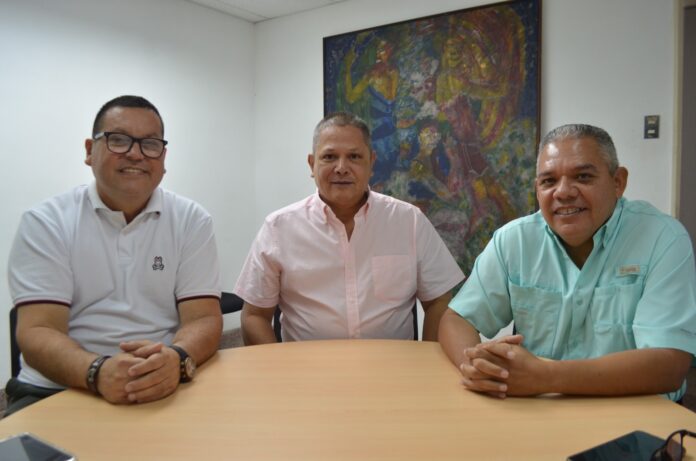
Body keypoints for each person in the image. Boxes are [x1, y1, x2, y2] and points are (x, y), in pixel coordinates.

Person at [439, 123, 696, 402]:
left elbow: (669, 365)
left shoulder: (662, 238)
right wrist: (475, 366)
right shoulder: (515, 240)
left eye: (583, 177)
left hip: (636, 413)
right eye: (549, 181)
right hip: (541, 410)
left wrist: (545, 377)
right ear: (537, 188)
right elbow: (457, 319)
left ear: (618, 182)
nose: (563, 192)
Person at [5, 95, 222, 416]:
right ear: (90, 151)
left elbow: (204, 318)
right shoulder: (46, 221)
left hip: (164, 379)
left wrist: (176, 358)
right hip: (60, 387)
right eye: (118, 140)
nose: (135, 153)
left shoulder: (192, 219)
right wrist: (97, 372)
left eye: (149, 144)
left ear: (163, 158)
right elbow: (38, 331)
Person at [236, 112, 464, 344]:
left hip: (392, 369)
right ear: (312, 164)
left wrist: (427, 365)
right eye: (329, 157)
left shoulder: (409, 221)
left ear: (371, 163)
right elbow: (254, 316)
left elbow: (439, 301)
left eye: (354, 156)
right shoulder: (278, 228)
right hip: (306, 372)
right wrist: (276, 375)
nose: (342, 168)